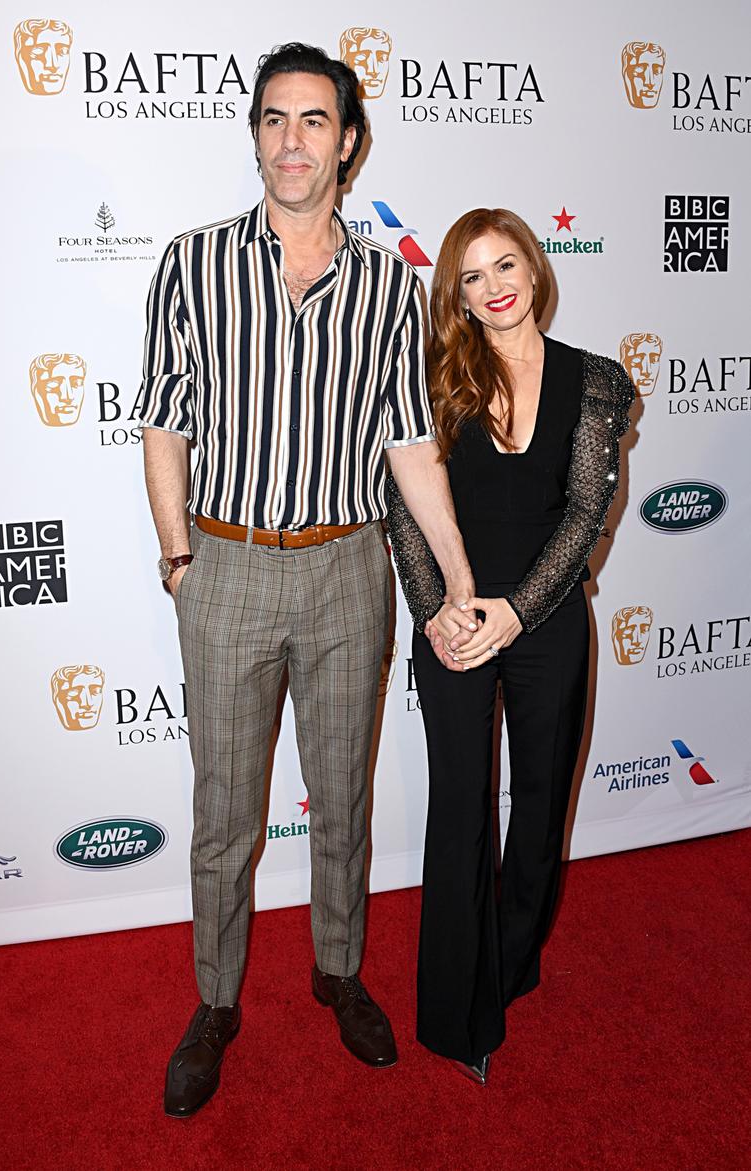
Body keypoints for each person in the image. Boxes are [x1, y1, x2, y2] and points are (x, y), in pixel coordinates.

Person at [138, 43, 475, 1118]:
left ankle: (338, 971)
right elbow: (162, 421)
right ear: (256, 135)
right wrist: (180, 557)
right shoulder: (191, 262)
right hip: (225, 563)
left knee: (344, 799)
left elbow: (411, 447)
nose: (293, 140)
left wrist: (459, 583)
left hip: (346, 570)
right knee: (223, 813)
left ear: (349, 141)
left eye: (315, 121)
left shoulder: (391, 284)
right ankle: (215, 1001)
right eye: (275, 119)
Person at [387, 208, 634, 1084]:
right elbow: (408, 506)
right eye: (471, 276)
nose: (494, 287)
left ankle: (513, 958)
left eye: (505, 265)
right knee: (459, 806)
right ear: (454, 294)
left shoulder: (597, 381)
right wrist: (434, 607)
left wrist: (518, 612)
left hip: (548, 618)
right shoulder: (430, 379)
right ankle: (458, 1011)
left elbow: (584, 516)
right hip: (451, 621)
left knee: (538, 803)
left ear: (533, 266)